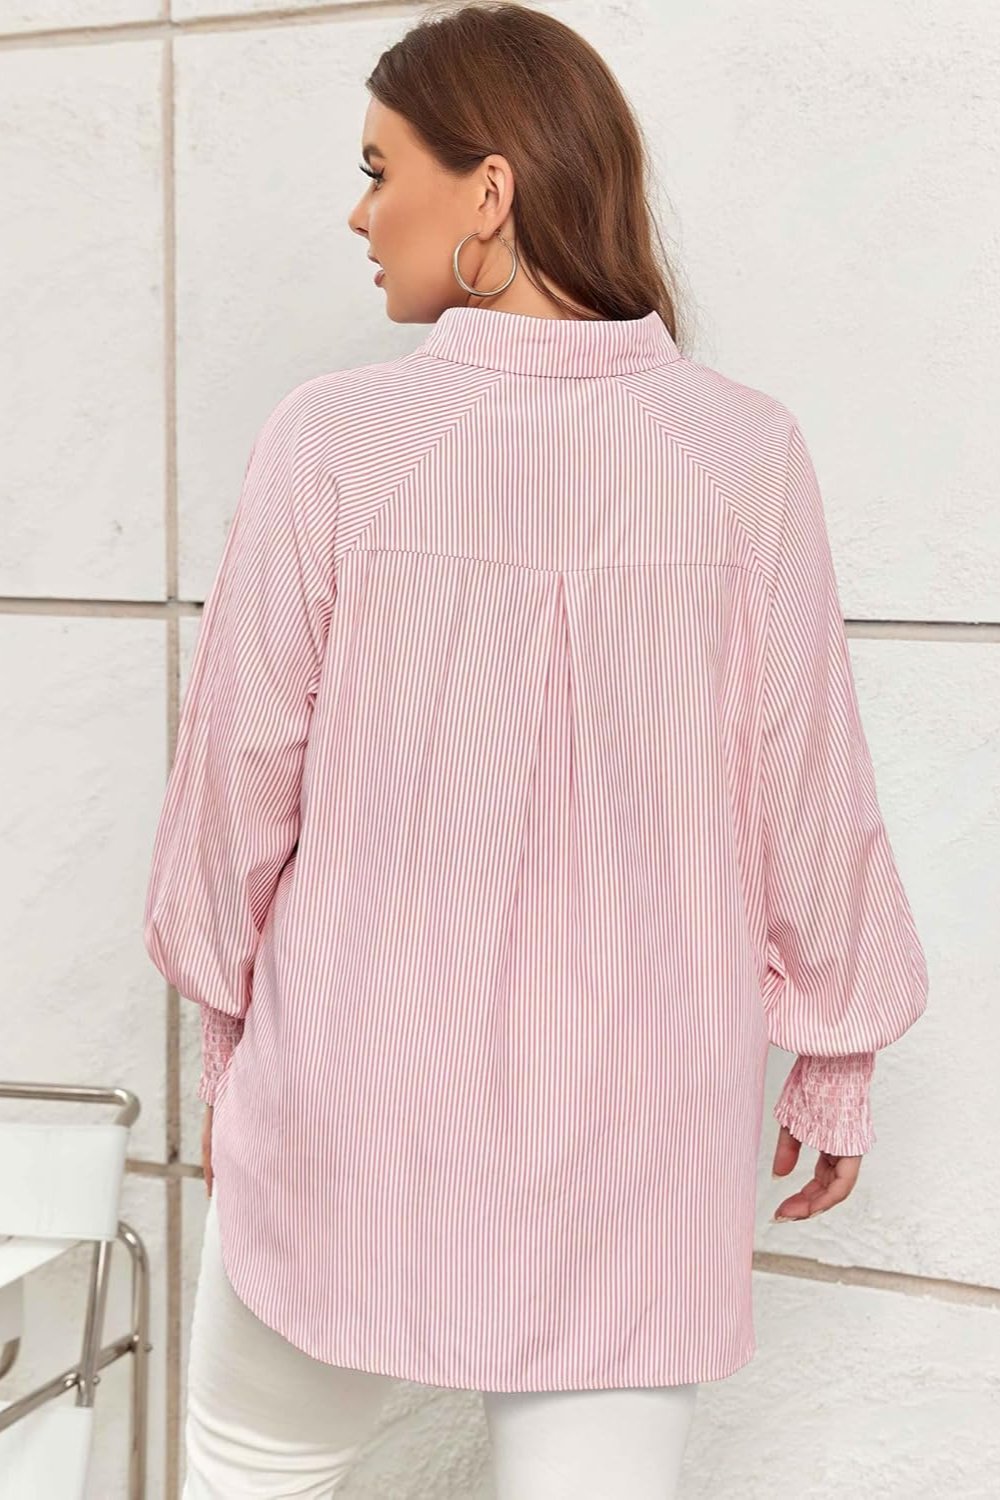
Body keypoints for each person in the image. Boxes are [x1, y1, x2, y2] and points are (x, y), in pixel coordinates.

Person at [142, 3, 929, 1495]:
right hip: (641, 1127)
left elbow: (239, 781)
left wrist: (229, 1028)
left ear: (488, 192)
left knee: (252, 1471)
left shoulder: (336, 441)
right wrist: (837, 1046)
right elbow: (806, 786)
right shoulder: (740, 449)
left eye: (380, 170)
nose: (359, 214)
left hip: (358, 1092)